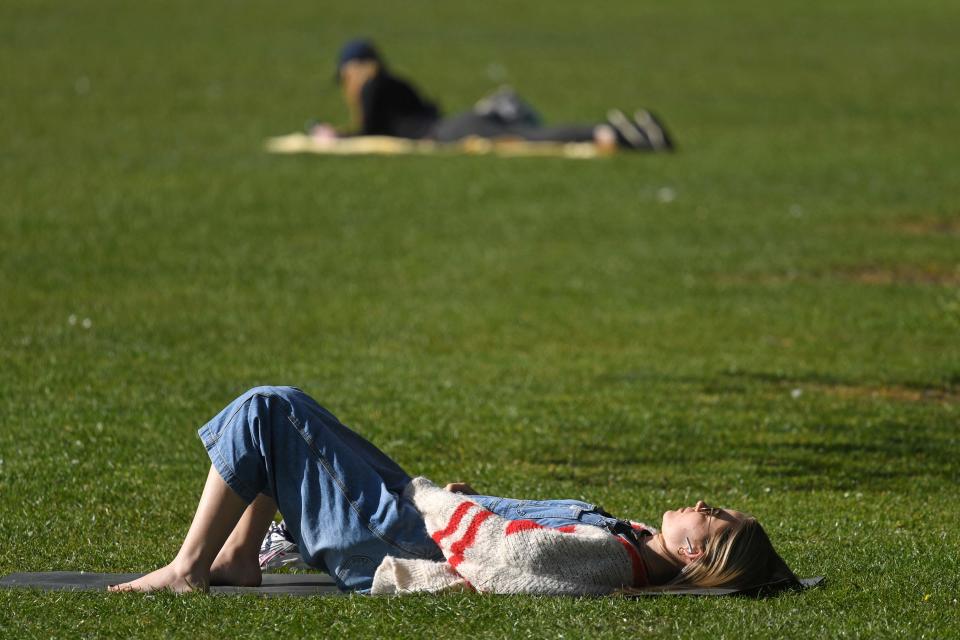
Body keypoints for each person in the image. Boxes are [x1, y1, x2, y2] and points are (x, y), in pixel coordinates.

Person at [108, 386, 798, 595]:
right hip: (418, 519)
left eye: (713, 526)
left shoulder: (614, 557)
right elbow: (510, 532)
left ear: (701, 564)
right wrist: (472, 501)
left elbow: (505, 558)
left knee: (274, 410)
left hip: (397, 535)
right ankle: (237, 554)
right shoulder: (630, 541)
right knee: (295, 419)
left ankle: (191, 569)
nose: (706, 507)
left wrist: (441, 500)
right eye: (719, 506)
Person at [308, 39, 674, 152]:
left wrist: (333, 136)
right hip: (454, 122)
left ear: (357, 68)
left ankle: (612, 133)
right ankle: (619, 133)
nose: (346, 87)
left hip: (447, 133)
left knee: (530, 141)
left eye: (344, 78)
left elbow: (371, 133)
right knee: (528, 137)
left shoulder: (373, 87)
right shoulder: (395, 83)